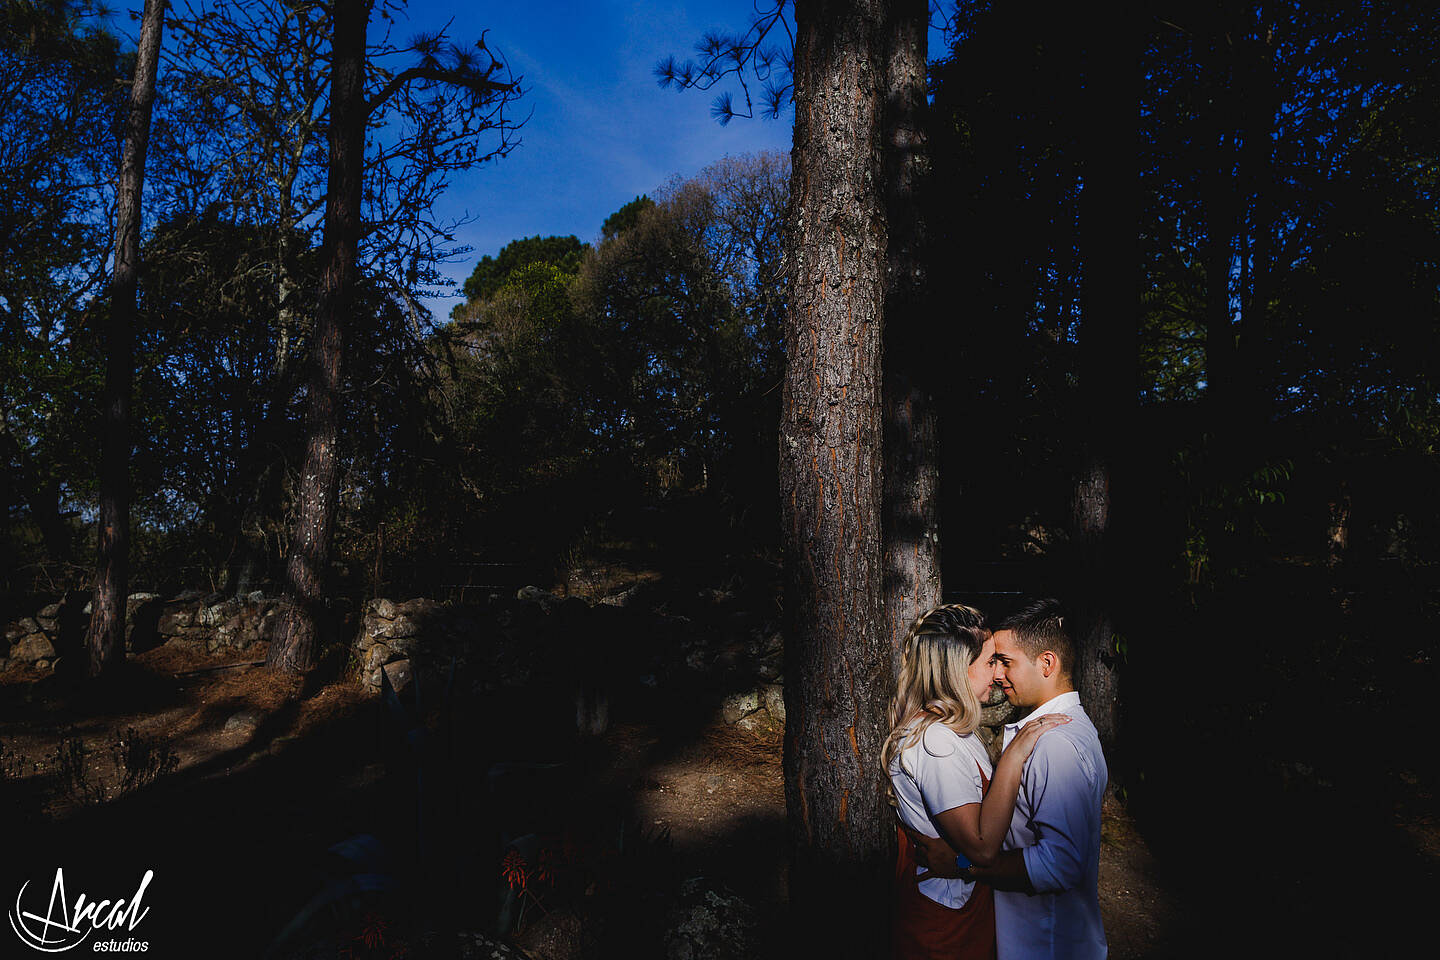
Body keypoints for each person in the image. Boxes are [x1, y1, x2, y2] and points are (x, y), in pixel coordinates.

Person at [907, 598, 1109, 960]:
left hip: (1043, 943)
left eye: (1006, 662)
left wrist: (959, 865)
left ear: (1047, 663)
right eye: (993, 662)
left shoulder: (1055, 745)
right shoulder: (1068, 729)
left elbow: (1059, 864)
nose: (998, 675)